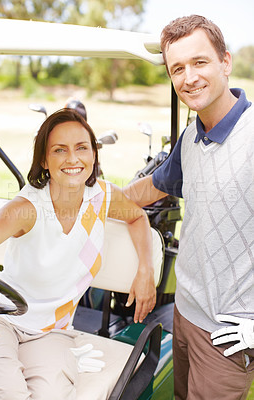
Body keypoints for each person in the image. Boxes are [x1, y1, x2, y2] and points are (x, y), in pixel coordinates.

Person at [124, 14, 254, 400]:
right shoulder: (191, 137)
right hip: (185, 313)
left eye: (199, 62)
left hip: (229, 334)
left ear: (225, 62)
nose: (189, 77)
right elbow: (153, 186)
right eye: (177, 68)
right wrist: (89, 198)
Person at [0, 108, 156, 399]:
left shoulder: (101, 197)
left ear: (93, 154)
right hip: (3, 321)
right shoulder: (25, 209)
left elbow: (137, 217)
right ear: (44, 160)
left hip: (54, 331)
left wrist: (145, 269)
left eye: (81, 148)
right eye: (59, 150)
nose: (73, 159)